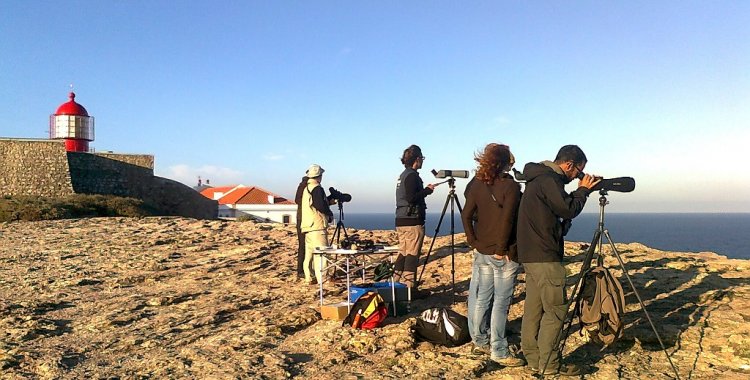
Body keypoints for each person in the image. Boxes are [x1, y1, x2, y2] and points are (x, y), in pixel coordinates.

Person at [517, 145, 600, 376]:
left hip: (530, 255)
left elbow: (556, 211)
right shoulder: (549, 181)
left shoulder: (536, 179)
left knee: (533, 309)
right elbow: (567, 209)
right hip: (545, 256)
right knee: (555, 311)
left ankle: (533, 358)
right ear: (569, 165)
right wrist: (583, 191)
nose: (577, 177)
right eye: (578, 171)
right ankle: (550, 365)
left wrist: (576, 193)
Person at [461, 143, 525, 366]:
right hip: (504, 253)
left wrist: (473, 241)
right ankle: (498, 349)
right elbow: (508, 220)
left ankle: (479, 341)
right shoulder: (511, 187)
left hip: (483, 251)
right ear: (506, 162)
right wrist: (501, 249)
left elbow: (466, 214)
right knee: (501, 302)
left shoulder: (478, 184)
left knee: (482, 298)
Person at [394, 144, 435, 295]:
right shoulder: (412, 175)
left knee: (404, 253)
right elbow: (411, 198)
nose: (423, 161)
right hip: (412, 221)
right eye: (422, 158)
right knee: (411, 255)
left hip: (401, 220)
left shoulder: (403, 175)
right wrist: (427, 191)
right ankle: (409, 290)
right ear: (417, 159)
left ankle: (396, 285)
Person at [300, 164, 334, 285]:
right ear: (319, 176)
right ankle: (323, 279)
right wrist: (329, 213)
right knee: (322, 254)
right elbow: (319, 205)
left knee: (309, 254)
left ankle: (309, 277)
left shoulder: (307, 188)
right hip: (317, 226)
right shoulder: (317, 188)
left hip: (308, 226)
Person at [294, 175, 309, 280]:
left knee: (303, 245)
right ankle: (301, 270)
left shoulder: (302, 186)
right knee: (303, 245)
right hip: (304, 219)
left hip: (302, 219)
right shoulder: (306, 187)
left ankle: (302, 270)